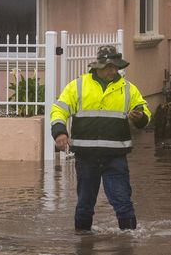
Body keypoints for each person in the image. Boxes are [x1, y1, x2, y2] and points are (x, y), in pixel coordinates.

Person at [51, 46, 151, 231]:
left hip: (115, 157)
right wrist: (60, 132)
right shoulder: (78, 86)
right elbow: (59, 110)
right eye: (108, 67)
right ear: (97, 66)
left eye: (116, 67)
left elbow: (144, 113)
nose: (113, 71)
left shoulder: (128, 89)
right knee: (85, 205)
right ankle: (82, 245)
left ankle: (128, 245)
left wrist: (141, 117)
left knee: (123, 204)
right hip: (86, 157)